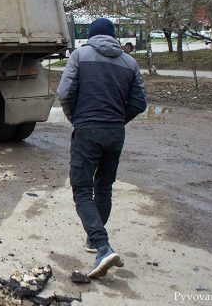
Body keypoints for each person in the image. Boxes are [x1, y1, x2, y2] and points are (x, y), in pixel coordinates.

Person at [56, 17, 147, 279]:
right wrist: (117, 120)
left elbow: (64, 93)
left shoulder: (79, 56)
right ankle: (93, 240)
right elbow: (139, 102)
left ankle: (103, 247)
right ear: (114, 36)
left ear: (92, 36)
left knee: (82, 190)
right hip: (115, 133)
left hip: (87, 131)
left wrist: (78, 119)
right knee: (104, 187)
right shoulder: (130, 62)